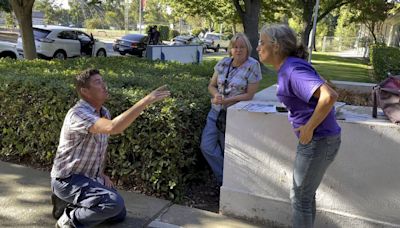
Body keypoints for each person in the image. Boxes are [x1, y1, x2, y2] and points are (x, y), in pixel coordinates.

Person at [50, 69, 170, 228]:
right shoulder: (78, 114)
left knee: (118, 214)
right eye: (98, 82)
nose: (104, 85)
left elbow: (100, 148)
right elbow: (113, 127)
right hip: (67, 180)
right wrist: (145, 101)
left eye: (103, 80)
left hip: (90, 178)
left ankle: (70, 204)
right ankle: (69, 219)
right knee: (112, 203)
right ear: (85, 91)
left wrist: (101, 174)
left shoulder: (104, 112)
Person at [257, 24, 341, 228]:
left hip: (318, 140)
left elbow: (329, 96)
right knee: (304, 196)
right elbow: (326, 89)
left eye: (262, 42)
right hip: (321, 140)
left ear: (275, 46)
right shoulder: (291, 67)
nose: (258, 47)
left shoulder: (292, 69)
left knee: (300, 198)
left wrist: (309, 127)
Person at [200, 33, 262, 186]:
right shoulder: (223, 63)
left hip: (235, 115)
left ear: (247, 49)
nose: (238, 50)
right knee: (206, 146)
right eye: (235, 47)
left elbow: (249, 94)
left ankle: (228, 184)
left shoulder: (253, 65)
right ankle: (225, 178)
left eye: (242, 47)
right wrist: (216, 96)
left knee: (229, 150)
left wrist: (228, 100)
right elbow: (211, 85)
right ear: (230, 49)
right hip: (216, 112)